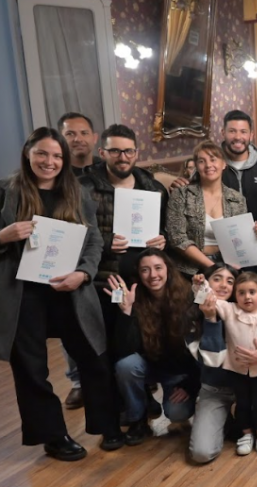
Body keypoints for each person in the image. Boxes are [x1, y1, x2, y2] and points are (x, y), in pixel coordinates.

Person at [0, 127, 121, 460]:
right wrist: (4, 235)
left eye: (56, 155)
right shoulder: (6, 191)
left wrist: (84, 274)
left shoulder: (77, 192)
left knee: (94, 356)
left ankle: (108, 425)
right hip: (22, 295)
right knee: (31, 369)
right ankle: (53, 436)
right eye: (41, 153)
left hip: (71, 290)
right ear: (28, 154)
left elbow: (94, 241)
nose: (49, 161)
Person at [76, 123, 169, 409]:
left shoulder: (152, 188)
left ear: (136, 153)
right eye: (115, 151)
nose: (123, 157)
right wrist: (105, 242)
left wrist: (161, 238)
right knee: (107, 347)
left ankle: (143, 400)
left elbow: (166, 229)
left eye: (129, 151)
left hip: (142, 281)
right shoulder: (84, 187)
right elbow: (71, 232)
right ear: (102, 152)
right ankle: (118, 409)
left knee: (142, 344)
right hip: (102, 282)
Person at [188, 263, 257, 464]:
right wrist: (209, 316)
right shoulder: (203, 316)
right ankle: (229, 423)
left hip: (255, 381)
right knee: (202, 453)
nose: (223, 285)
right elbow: (212, 360)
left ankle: (250, 429)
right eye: (217, 279)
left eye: (230, 281)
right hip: (217, 389)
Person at [105, 249, 200, 446]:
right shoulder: (133, 298)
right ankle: (138, 420)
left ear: (168, 269)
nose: (153, 275)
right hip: (148, 365)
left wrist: (190, 384)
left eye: (158, 268)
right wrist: (126, 312)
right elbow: (122, 351)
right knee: (125, 366)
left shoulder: (188, 296)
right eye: (145, 270)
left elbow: (200, 350)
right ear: (139, 274)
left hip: (179, 372)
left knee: (177, 413)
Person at [166, 141, 257, 277]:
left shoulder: (237, 199)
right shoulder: (182, 194)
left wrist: (254, 234)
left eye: (213, 159)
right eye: (202, 161)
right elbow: (177, 239)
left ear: (224, 164)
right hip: (189, 269)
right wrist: (214, 268)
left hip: (228, 266)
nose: (208, 165)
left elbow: (238, 240)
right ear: (196, 166)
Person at [218, 110, 257, 299]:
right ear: (223, 133)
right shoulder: (213, 164)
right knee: (225, 301)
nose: (238, 137)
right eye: (232, 131)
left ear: (251, 135)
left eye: (243, 131)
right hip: (221, 247)